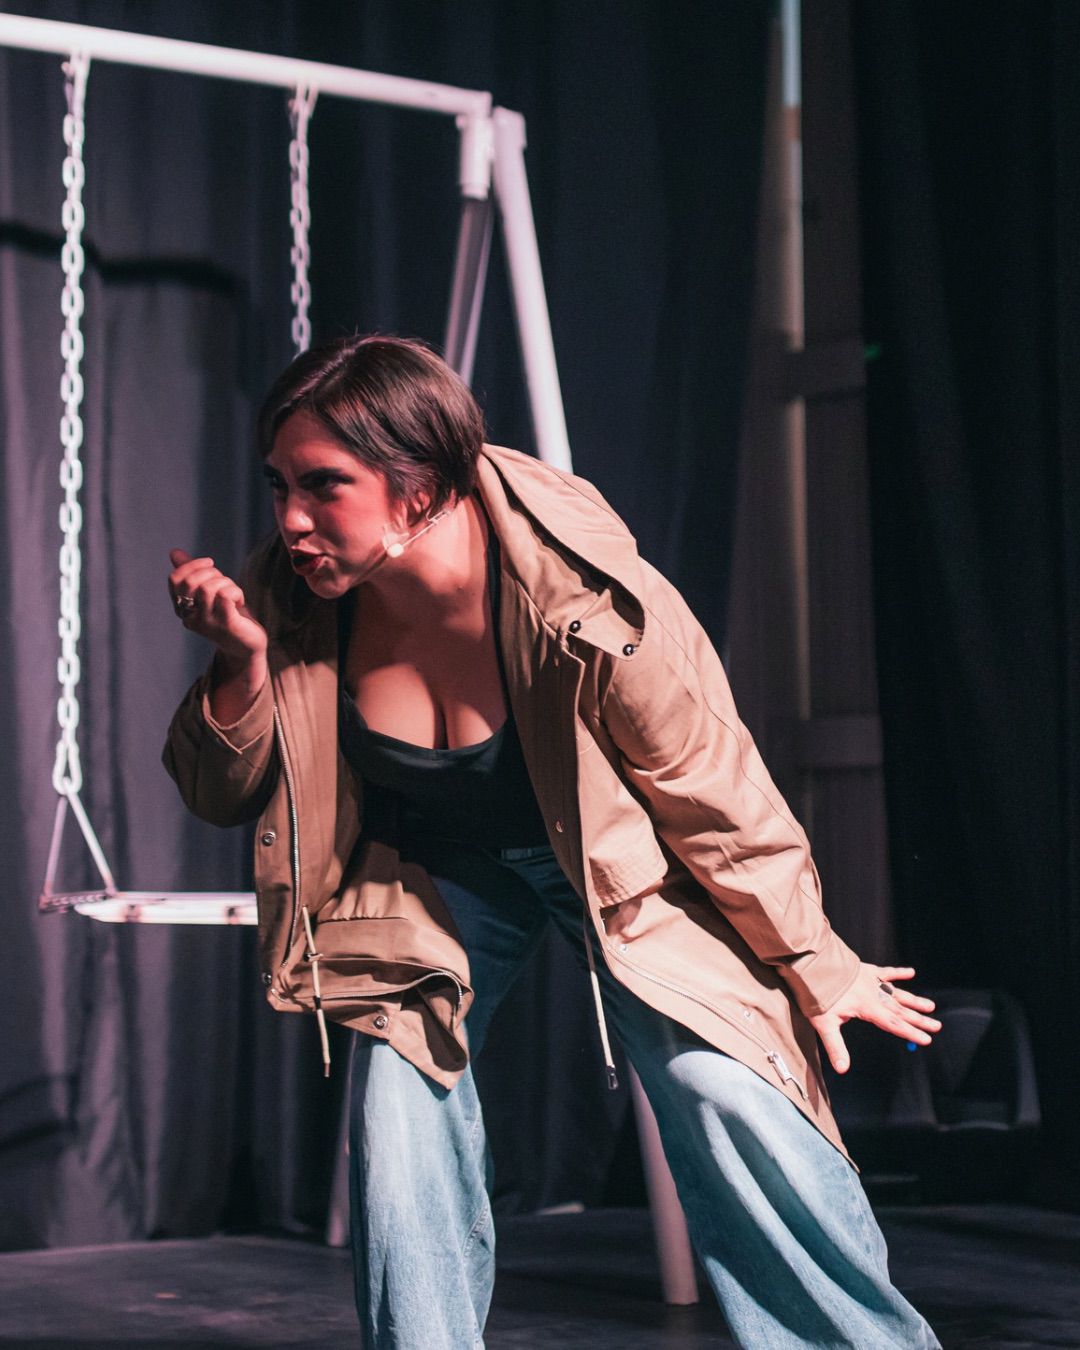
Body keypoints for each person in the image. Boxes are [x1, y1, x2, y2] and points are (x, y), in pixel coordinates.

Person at [163, 334, 942, 1349]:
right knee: (397, 1100)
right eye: (279, 485)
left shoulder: (585, 596)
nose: (291, 519)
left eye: (324, 485)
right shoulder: (290, 597)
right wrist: (240, 663)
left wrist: (815, 961)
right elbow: (218, 794)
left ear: (418, 489)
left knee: (724, 1089)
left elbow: (714, 790)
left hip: (619, 869)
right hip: (444, 880)